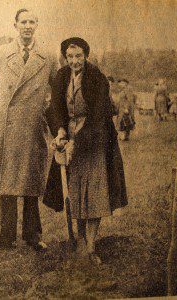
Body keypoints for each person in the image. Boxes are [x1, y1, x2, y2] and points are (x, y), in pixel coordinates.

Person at [0, 9, 58, 251]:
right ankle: (5, 236)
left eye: (32, 22)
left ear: (37, 25)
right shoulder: (0, 53)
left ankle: (33, 237)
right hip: (7, 127)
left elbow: (56, 89)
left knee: (32, 183)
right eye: (23, 22)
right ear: (15, 25)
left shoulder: (48, 55)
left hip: (33, 127)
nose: (27, 26)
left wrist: (46, 112)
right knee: (8, 184)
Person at [44, 37, 128, 262]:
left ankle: (91, 246)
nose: (74, 61)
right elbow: (54, 108)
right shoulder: (61, 76)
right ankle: (80, 240)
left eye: (78, 56)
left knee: (94, 193)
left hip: (95, 138)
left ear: (86, 56)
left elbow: (98, 116)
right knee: (75, 192)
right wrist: (60, 131)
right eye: (69, 57)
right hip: (70, 135)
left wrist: (76, 143)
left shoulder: (97, 78)